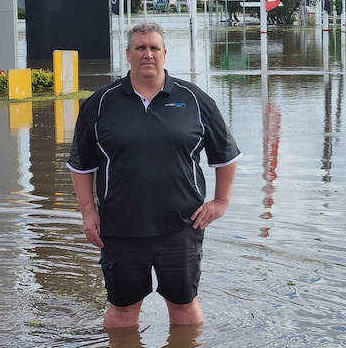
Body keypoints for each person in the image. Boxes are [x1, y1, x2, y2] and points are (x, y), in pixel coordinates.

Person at [67, 21, 241, 329]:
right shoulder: (101, 103)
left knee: (184, 306)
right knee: (122, 310)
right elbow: (82, 165)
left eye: (154, 48)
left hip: (181, 227)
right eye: (140, 48)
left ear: (164, 53)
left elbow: (225, 156)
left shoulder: (195, 100)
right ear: (128, 54)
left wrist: (221, 201)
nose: (148, 54)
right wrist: (88, 212)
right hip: (120, 229)